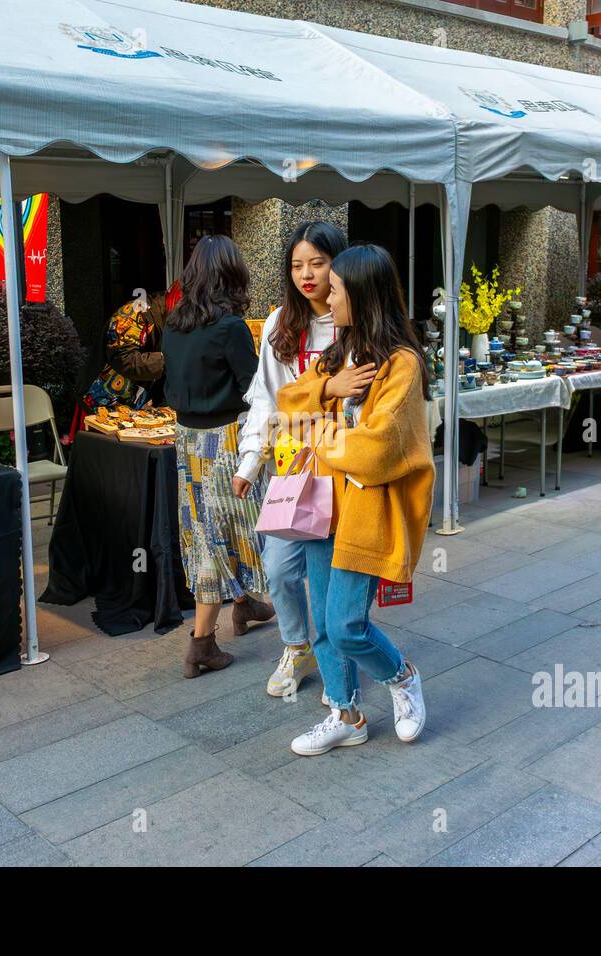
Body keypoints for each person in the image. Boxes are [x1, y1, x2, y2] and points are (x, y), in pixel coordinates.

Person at [276, 244, 433, 756]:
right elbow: (287, 405)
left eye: (336, 289)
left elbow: (377, 449)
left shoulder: (402, 366)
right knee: (324, 623)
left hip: (367, 513)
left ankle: (402, 675)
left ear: (361, 296)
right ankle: (346, 714)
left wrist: (319, 432)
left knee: (346, 625)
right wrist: (328, 388)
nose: (326, 295)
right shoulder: (339, 356)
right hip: (324, 507)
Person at [234, 220, 347, 699]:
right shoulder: (281, 322)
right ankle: (296, 646)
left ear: (336, 266)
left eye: (317, 263)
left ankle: (336, 662)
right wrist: (249, 461)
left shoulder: (352, 320)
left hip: (341, 465)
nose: (307, 274)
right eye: (298, 264)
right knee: (279, 567)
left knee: (331, 573)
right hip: (291, 465)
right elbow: (266, 397)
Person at [161, 235, 274, 678]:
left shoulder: (172, 323)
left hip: (186, 439)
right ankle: (201, 644)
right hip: (226, 439)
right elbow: (255, 391)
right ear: (232, 274)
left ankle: (245, 605)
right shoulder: (231, 328)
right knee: (229, 529)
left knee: (208, 527)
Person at [72, 283, 179, 439]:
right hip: (99, 401)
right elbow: (124, 359)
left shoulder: (166, 321)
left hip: (129, 409)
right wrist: (170, 359)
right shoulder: (135, 311)